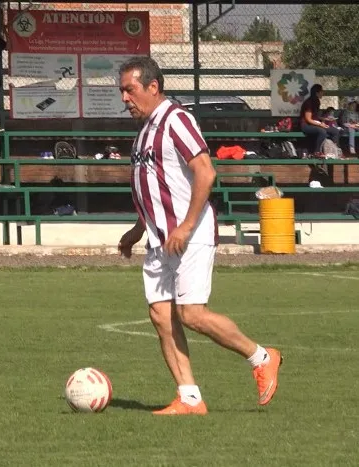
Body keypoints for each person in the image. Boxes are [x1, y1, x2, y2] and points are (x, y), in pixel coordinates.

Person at [116, 56, 282, 416]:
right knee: (161, 316)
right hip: (161, 239)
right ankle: (190, 398)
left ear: (152, 87)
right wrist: (138, 228)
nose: (124, 98)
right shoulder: (144, 131)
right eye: (121, 91)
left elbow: (205, 173)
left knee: (191, 314)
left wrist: (187, 225)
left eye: (129, 90)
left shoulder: (176, 120)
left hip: (189, 234)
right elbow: (157, 187)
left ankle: (263, 357)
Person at [300, 84, 340, 154]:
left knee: (335, 131)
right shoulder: (309, 102)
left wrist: (325, 119)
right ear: (317, 92)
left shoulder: (317, 101)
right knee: (322, 131)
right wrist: (320, 124)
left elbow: (315, 117)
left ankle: (335, 151)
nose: (323, 93)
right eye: (322, 91)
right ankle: (317, 152)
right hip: (306, 125)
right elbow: (308, 119)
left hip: (314, 124)